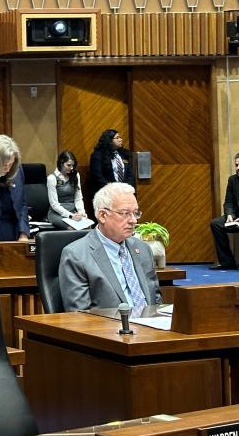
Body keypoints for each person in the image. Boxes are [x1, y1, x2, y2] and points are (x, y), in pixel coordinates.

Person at [59, 183, 160, 311]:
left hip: (151, 327)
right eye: (125, 213)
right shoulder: (76, 255)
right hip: (109, 328)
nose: (133, 220)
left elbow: (155, 299)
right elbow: (79, 316)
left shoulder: (143, 249)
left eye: (135, 213)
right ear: (102, 216)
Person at [47, 151, 88, 230]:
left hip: (73, 211)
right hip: (57, 213)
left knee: (87, 226)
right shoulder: (52, 178)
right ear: (61, 163)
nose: (71, 168)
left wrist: (81, 212)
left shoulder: (75, 175)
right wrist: (70, 215)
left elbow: (78, 197)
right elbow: (54, 204)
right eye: (68, 165)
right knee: (71, 228)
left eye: (73, 165)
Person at [89, 129, 134, 196]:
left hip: (124, 193)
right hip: (106, 193)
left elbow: (130, 174)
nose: (120, 139)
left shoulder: (124, 154)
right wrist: (112, 189)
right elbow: (98, 176)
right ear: (109, 140)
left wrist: (126, 188)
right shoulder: (98, 155)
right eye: (117, 138)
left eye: (120, 137)